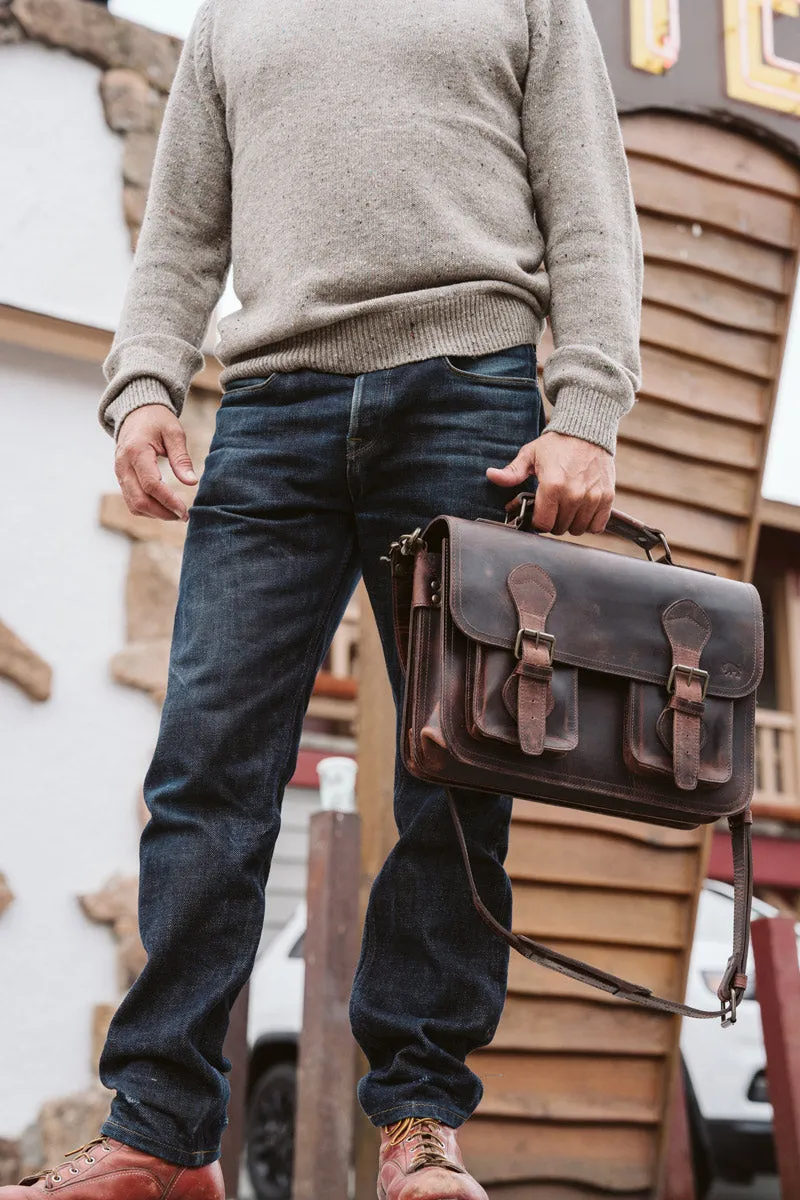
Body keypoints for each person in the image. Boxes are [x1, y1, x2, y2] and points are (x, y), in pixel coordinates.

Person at [1, 0, 641, 1196]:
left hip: (470, 397)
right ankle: (158, 1131)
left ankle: (416, 1123)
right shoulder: (231, 16)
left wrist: (584, 408)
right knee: (204, 772)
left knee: (455, 775)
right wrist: (142, 385)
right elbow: (183, 228)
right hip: (270, 414)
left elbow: (588, 206)